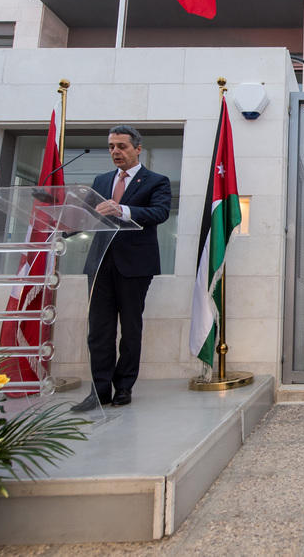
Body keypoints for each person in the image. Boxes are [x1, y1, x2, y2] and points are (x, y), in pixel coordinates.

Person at [71, 125, 172, 412]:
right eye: (112, 146)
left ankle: (124, 386)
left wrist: (124, 210)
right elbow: (88, 215)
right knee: (98, 330)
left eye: (122, 146)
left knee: (130, 328)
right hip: (100, 263)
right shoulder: (100, 181)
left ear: (138, 148)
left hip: (135, 265)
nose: (116, 151)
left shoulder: (156, 181)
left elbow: (160, 212)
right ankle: (98, 391)